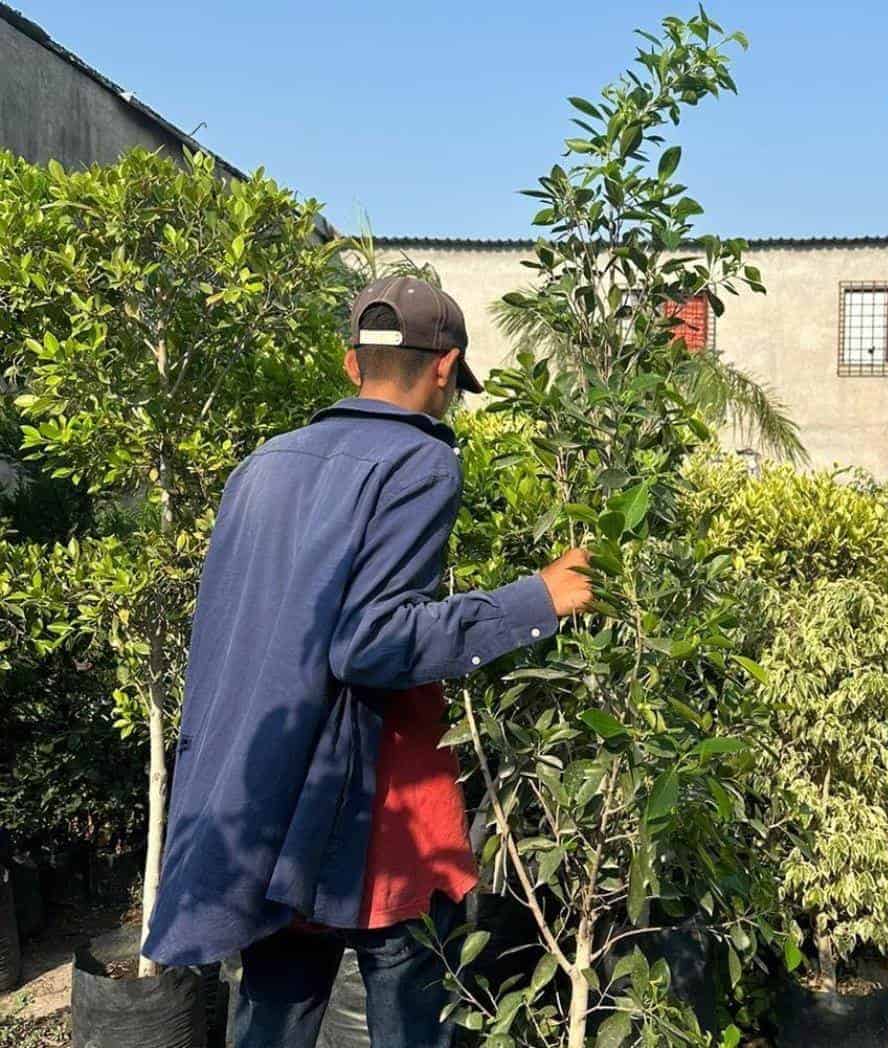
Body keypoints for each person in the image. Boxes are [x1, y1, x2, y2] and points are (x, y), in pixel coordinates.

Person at [141, 276, 593, 1047]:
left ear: (352, 366)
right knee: (414, 1008)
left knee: (271, 1017)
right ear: (445, 367)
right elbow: (371, 642)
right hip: (372, 813)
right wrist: (535, 600)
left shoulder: (261, 466)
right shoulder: (420, 461)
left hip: (262, 796)